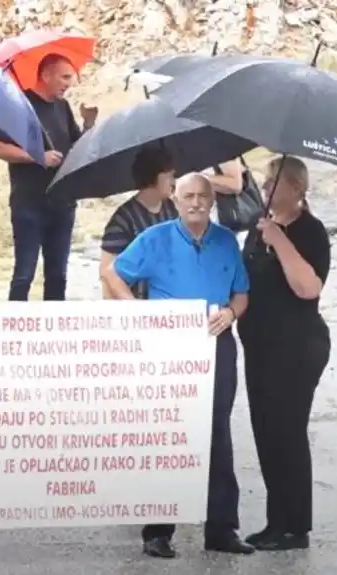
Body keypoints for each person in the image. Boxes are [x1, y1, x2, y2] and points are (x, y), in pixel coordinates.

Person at [101, 173, 255, 558]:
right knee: (169, 434)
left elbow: (242, 292)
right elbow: (113, 273)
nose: (197, 203)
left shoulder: (225, 241)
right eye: (189, 196)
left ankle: (221, 528)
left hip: (215, 345)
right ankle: (157, 531)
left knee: (217, 433)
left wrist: (232, 314)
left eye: (204, 196)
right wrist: (135, 310)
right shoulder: (155, 239)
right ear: (175, 197)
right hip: (168, 350)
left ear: (212, 200)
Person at [239, 155, 331, 551]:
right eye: (264, 179)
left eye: (274, 180)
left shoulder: (311, 232)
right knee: (265, 433)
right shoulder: (257, 229)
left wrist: (280, 241)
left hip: (297, 346)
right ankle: (276, 520)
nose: (265, 186)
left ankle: (295, 526)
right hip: (259, 345)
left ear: (296, 188)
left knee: (288, 432)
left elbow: (309, 288)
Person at [0, 53, 98, 301]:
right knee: (24, 275)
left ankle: (54, 336)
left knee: (58, 276)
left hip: (62, 204)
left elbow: (76, 149)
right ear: (46, 75)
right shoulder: (19, 106)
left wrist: (89, 125)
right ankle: (15, 333)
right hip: (29, 205)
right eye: (64, 77)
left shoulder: (62, 107)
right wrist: (37, 156)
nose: (69, 84)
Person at [99, 146, 178, 299]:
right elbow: (107, 273)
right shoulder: (123, 220)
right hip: (136, 306)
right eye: (169, 176)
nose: (174, 182)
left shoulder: (171, 209)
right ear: (152, 177)